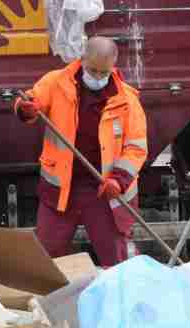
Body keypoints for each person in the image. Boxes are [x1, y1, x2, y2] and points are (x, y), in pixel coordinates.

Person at [14, 36, 147, 267]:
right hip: (61, 189)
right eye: (92, 70)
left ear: (113, 66)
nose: (96, 77)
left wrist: (119, 180)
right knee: (46, 258)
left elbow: (136, 148)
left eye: (102, 73)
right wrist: (25, 108)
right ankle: (46, 301)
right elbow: (30, 101)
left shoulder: (127, 100)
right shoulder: (56, 83)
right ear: (82, 59)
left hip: (104, 193)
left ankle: (118, 300)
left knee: (116, 261)